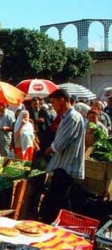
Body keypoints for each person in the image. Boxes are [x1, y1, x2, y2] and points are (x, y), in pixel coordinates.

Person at [41, 89, 85, 223]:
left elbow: (58, 145)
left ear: (62, 100)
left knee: (55, 205)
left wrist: (47, 150)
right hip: (62, 166)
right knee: (63, 205)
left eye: (54, 102)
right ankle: (69, 227)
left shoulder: (72, 117)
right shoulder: (66, 117)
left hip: (66, 168)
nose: (52, 106)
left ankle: (52, 230)